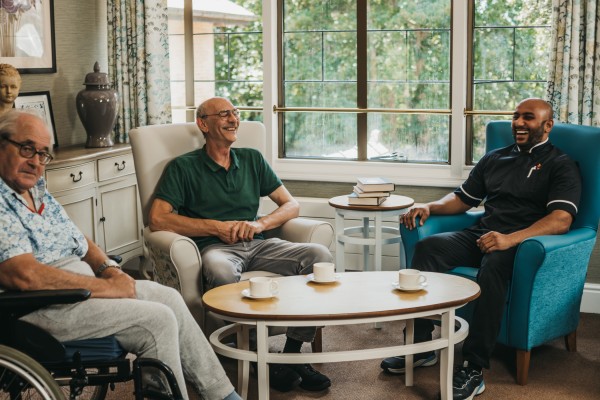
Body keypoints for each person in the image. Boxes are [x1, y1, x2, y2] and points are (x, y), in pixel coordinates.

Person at [0, 110, 242, 400]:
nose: (36, 162)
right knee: (158, 320)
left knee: (170, 298)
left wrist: (108, 269)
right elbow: (23, 274)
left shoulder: (35, 189)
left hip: (78, 291)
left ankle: (221, 394)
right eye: (27, 149)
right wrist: (106, 288)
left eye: (43, 154)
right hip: (42, 306)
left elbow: (80, 241)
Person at [380, 98, 581, 399]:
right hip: (482, 234)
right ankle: (422, 346)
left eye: (528, 117)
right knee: (427, 249)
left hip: (523, 244)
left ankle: (473, 367)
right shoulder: (495, 158)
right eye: (516, 116)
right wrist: (430, 207)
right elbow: (463, 199)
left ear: (547, 125)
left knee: (494, 266)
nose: (519, 123)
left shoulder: (561, 164)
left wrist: (510, 239)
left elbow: (561, 219)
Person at [149, 96, 334, 393]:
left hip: (259, 245)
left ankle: (290, 354)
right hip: (216, 249)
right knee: (220, 271)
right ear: (203, 124)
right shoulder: (183, 167)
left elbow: (291, 205)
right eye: (224, 114)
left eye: (235, 113)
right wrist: (215, 228)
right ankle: (250, 353)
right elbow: (158, 218)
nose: (234, 119)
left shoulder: (251, 159)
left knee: (319, 255)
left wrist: (260, 224)